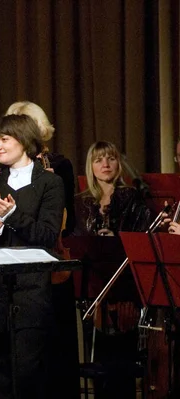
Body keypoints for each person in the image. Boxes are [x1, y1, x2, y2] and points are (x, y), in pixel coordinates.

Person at [0, 114, 65, 398]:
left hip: (31, 295)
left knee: (29, 378)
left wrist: (12, 216)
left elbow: (47, 236)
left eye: (4, 139)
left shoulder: (50, 184)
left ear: (25, 141)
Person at [5, 101, 79, 398]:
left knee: (54, 346)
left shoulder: (59, 165)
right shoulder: (5, 168)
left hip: (51, 257)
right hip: (16, 261)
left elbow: (68, 218)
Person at [74, 140, 150, 398]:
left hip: (124, 287)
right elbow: (76, 241)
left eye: (110, 159)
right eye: (98, 160)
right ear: (90, 166)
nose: (105, 164)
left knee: (121, 366)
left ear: (118, 163)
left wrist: (115, 238)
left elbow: (141, 241)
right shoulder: (81, 203)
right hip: (93, 291)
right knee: (99, 365)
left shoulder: (132, 197)